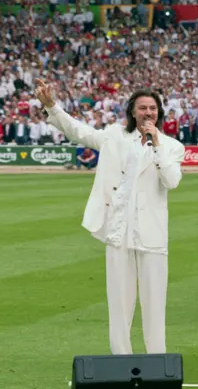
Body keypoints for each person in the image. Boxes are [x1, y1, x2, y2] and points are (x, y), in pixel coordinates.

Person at [34, 79, 185, 355]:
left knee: (154, 306)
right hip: (118, 232)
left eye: (152, 108)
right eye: (142, 108)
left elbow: (172, 181)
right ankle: (122, 363)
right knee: (119, 306)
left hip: (151, 234)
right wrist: (51, 106)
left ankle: (157, 365)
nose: (148, 113)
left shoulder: (172, 146)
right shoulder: (115, 136)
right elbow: (79, 132)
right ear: (132, 112)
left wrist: (156, 145)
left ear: (159, 113)